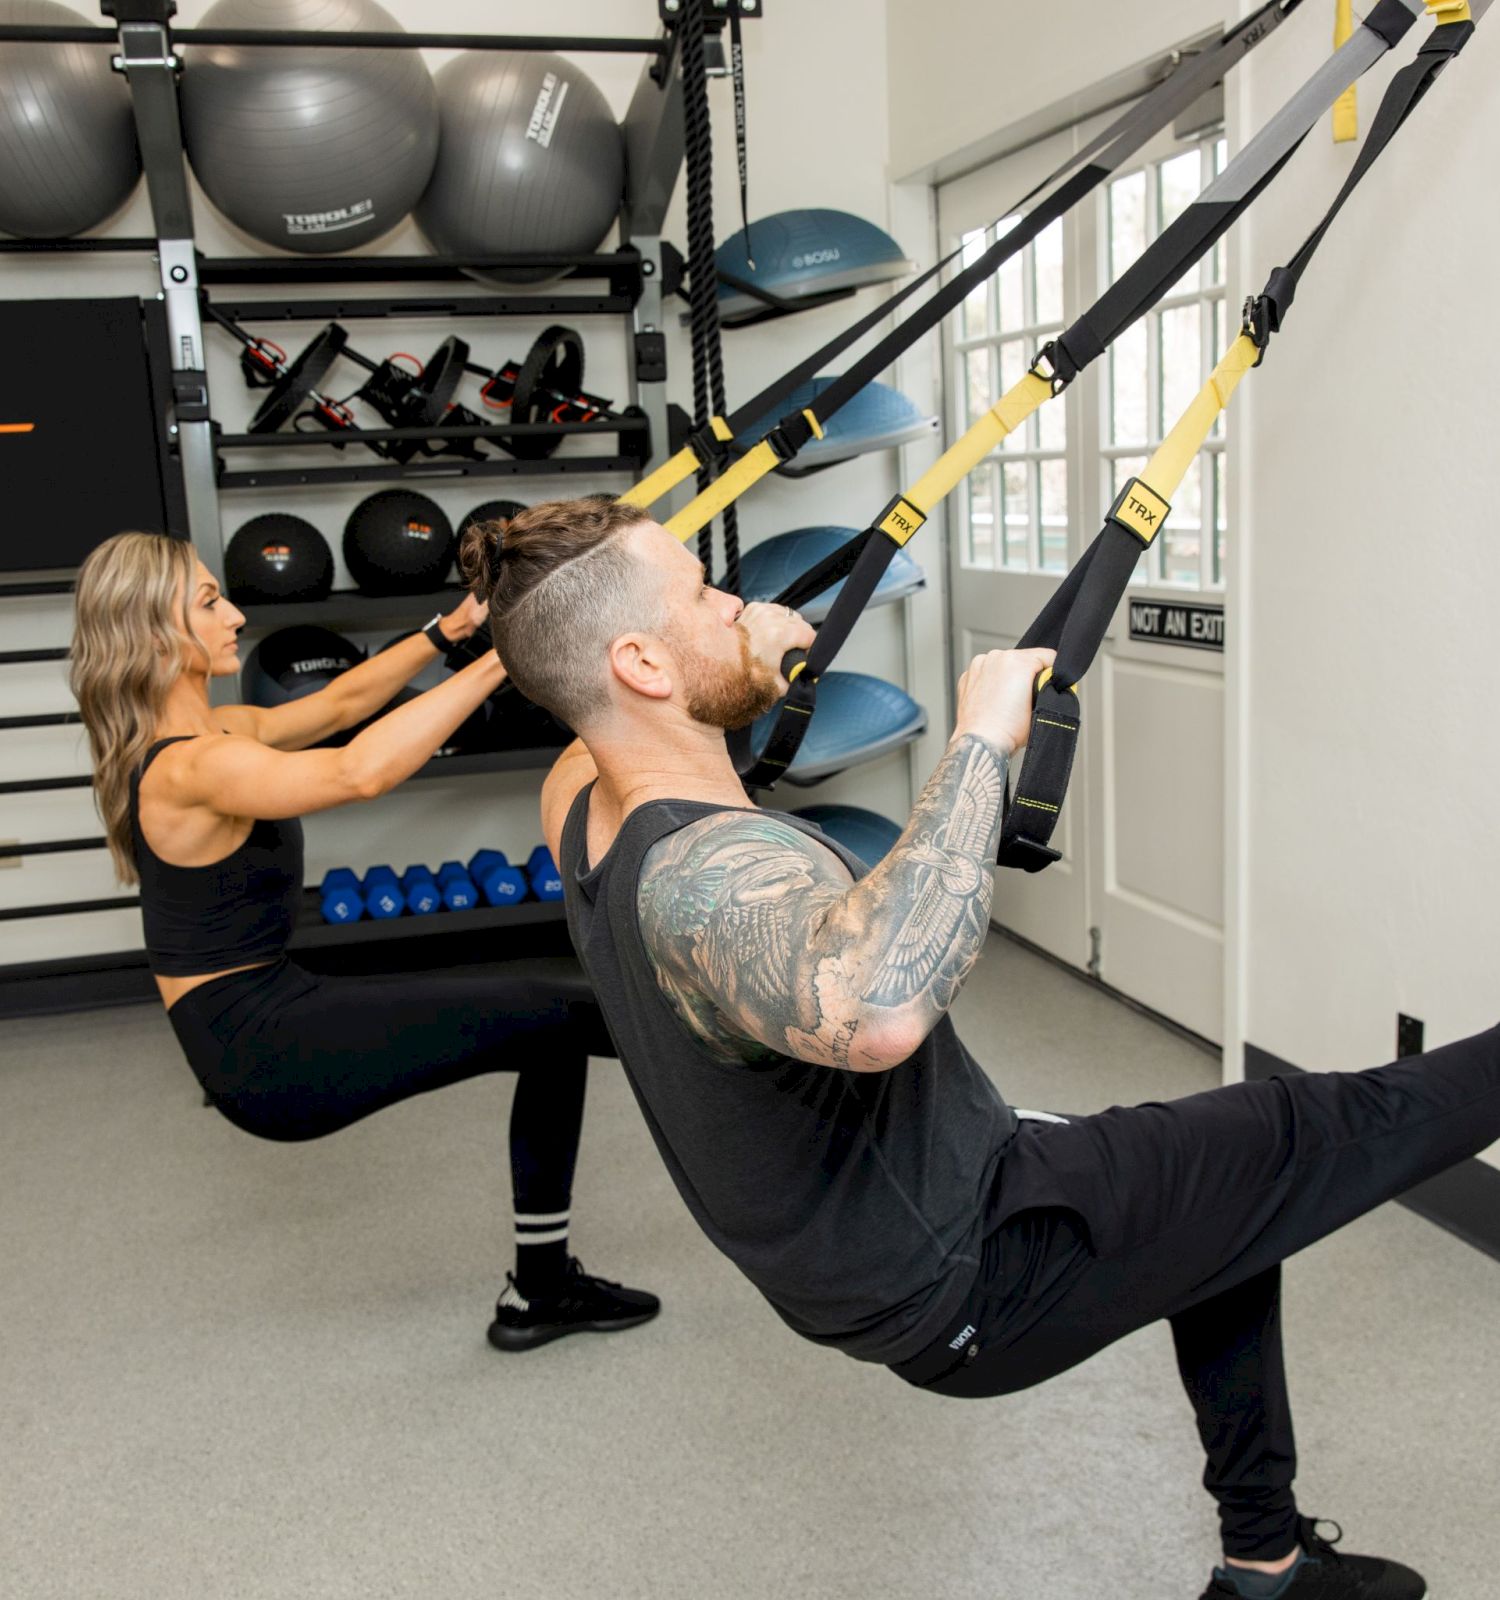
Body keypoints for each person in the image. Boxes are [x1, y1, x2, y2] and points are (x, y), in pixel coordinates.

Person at [460, 494, 1499, 1599]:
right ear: (642, 664)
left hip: (895, 1245)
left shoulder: (578, 798)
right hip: (975, 1270)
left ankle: (1268, 1563)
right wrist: (980, 743)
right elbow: (879, 1009)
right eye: (707, 595)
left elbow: (610, 708)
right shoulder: (700, 881)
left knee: (1228, 1191)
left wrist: (740, 660)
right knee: (1323, 1123)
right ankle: (1269, 1565)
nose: (742, 602)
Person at [69, 530, 658, 1353]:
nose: (235, 612)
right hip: (263, 1049)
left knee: (552, 1021)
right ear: (151, 632)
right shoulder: (190, 768)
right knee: (561, 1009)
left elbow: (342, 707)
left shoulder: (219, 733)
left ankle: (543, 1289)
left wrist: (450, 633)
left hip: (269, 1007)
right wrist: (508, 654)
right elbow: (358, 771)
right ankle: (767, 1062)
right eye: (209, 602)